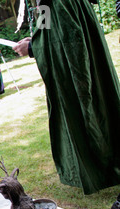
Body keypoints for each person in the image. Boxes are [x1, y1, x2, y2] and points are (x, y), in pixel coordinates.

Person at [13, 0, 120, 195]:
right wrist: (34, 41)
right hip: (70, 70)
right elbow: (45, 32)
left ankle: (105, 165)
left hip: (79, 70)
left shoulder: (59, 2)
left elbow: (72, 42)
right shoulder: (44, 3)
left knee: (94, 111)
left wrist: (32, 49)